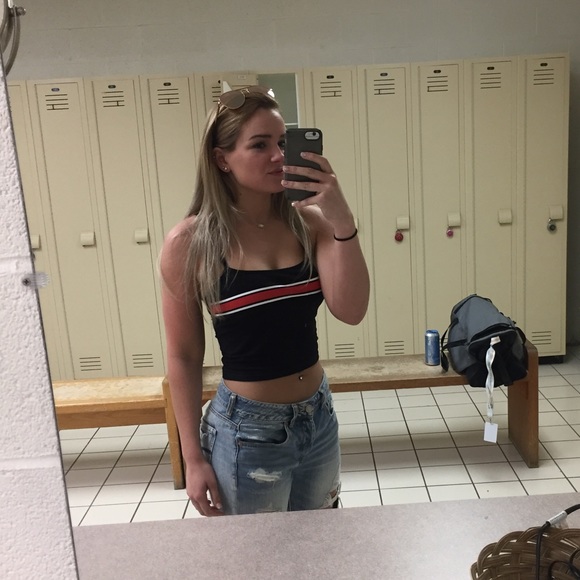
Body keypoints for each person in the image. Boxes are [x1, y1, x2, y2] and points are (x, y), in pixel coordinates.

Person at [160, 86, 369, 517]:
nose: (278, 156)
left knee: (322, 543)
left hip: (318, 418)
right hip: (247, 433)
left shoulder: (311, 224)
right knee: (260, 553)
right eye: (259, 145)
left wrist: (342, 220)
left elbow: (351, 311)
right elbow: (183, 356)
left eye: (282, 142)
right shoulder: (190, 242)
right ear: (222, 159)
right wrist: (192, 458)